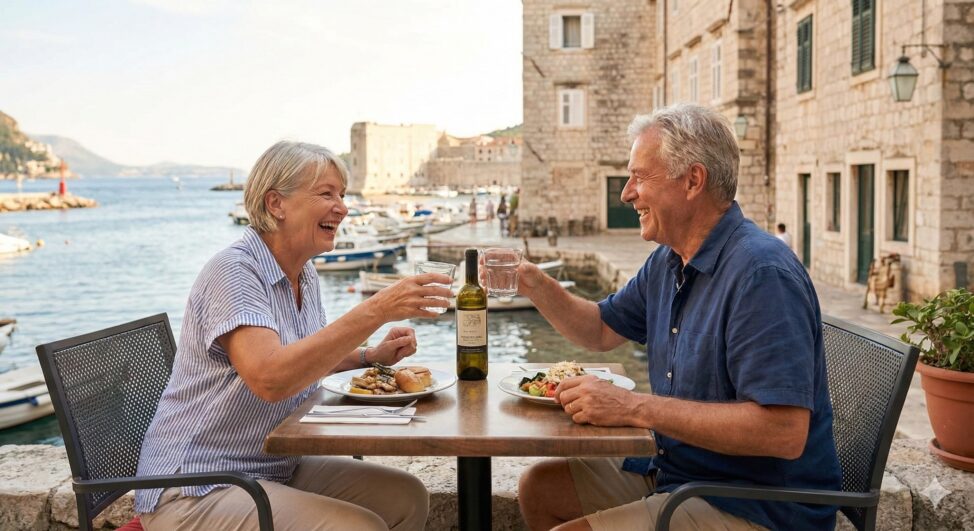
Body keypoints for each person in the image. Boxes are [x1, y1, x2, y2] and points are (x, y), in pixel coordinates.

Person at [515, 104, 841, 531]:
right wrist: (533, 282)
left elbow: (782, 431)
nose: (627, 193)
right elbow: (598, 328)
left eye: (640, 176)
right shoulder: (669, 261)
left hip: (760, 504)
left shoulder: (762, 275)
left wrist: (632, 407)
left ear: (692, 180)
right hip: (683, 474)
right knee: (540, 488)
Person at [135, 141, 453, 531]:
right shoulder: (234, 271)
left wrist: (371, 356)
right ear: (276, 204)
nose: (343, 207)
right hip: (196, 484)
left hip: (269, 464)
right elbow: (271, 378)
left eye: (342, 194)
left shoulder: (304, 272)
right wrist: (378, 308)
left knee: (406, 498)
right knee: (359, 528)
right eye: (326, 193)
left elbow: (302, 357)